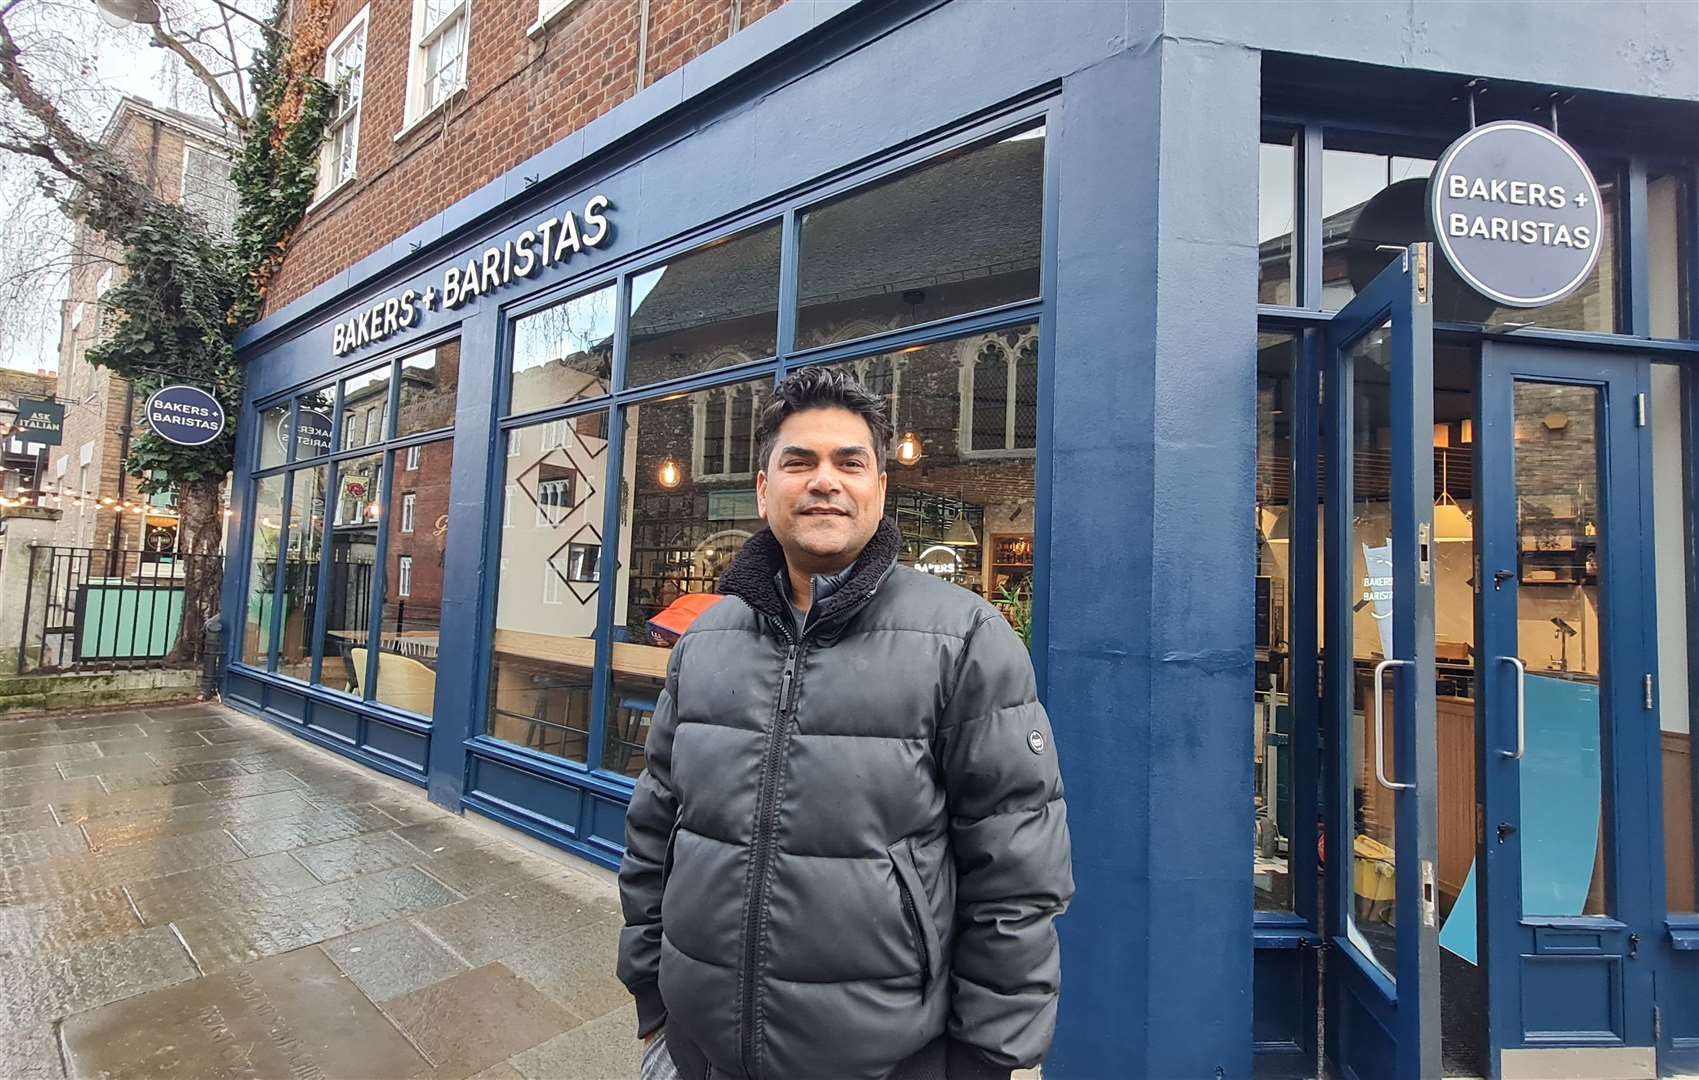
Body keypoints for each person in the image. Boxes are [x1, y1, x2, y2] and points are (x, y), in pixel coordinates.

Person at [617, 367, 1073, 1080]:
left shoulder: (965, 639)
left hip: (886, 1061)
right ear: (764, 488)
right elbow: (655, 829)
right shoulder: (705, 640)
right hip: (693, 1051)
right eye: (798, 461)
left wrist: (988, 1057)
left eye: (848, 461)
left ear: (878, 488)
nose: (823, 480)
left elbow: (1015, 878)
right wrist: (650, 994)